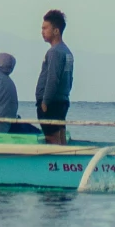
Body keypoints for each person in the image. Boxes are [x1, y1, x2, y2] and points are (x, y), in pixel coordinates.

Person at [34, 9, 74, 146]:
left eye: (45, 28)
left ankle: (55, 164)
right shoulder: (66, 51)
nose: (42, 32)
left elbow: (53, 78)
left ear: (56, 30)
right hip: (61, 100)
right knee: (60, 135)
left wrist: (45, 102)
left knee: (52, 138)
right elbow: (70, 79)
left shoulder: (55, 52)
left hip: (52, 103)